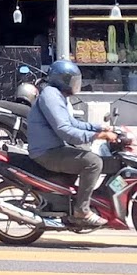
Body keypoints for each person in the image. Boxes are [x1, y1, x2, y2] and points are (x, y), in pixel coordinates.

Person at [26, 59, 117, 229]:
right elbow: (65, 130)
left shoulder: (56, 95)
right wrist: (99, 135)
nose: (76, 85)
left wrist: (98, 127)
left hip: (53, 148)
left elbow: (73, 123)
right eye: (73, 81)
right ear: (62, 80)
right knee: (93, 162)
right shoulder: (51, 96)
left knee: (85, 151)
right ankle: (81, 211)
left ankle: (74, 201)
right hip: (46, 153)